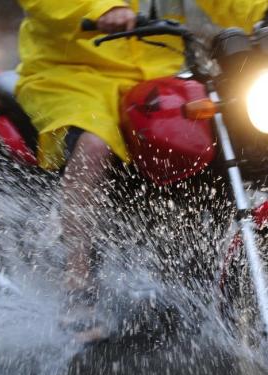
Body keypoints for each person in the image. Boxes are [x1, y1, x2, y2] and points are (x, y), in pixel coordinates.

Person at [15, 0, 267, 340]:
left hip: (159, 78)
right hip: (74, 75)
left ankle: (190, 264)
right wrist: (103, 7)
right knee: (94, 144)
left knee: (225, 135)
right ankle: (78, 284)